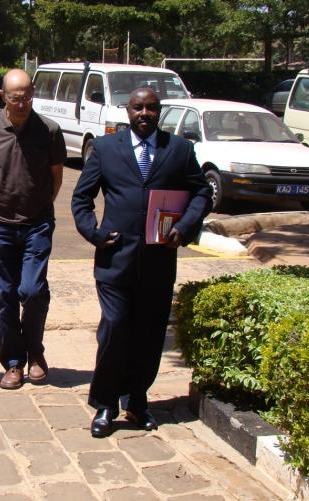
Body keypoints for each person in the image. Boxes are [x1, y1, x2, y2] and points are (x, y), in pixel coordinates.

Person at [71, 86, 212, 437]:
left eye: (151, 108)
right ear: (127, 111)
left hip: (158, 261)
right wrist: (95, 233)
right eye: (138, 108)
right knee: (116, 327)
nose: (144, 114)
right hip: (115, 259)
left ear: (159, 111)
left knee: (149, 334)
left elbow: (201, 192)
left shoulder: (179, 150)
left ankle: (137, 401)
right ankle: (105, 404)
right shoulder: (105, 149)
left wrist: (185, 225)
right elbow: (81, 198)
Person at [0, 69, 66, 390]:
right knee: (3, 295)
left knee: (32, 290)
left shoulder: (50, 131)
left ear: (33, 94)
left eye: (27, 96)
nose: (22, 102)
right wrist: (1, 205)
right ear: (3, 96)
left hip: (37, 224)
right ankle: (13, 362)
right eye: (15, 97)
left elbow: (56, 177)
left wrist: (40, 206)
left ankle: (36, 353)